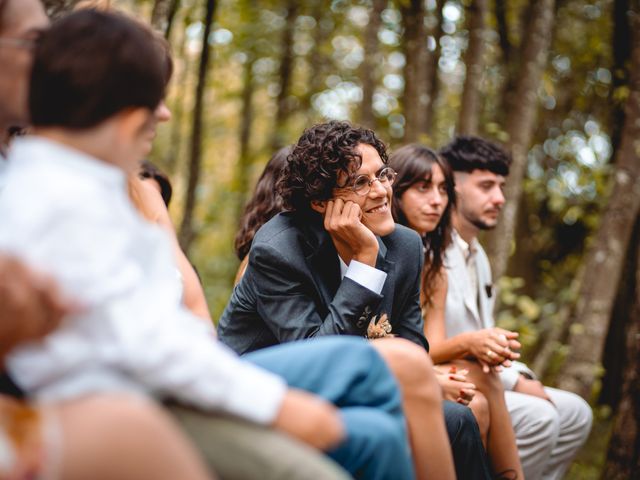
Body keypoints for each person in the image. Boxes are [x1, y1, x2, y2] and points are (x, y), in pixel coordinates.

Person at [0, 10, 414, 480]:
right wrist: (277, 406)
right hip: (145, 398)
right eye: (153, 98)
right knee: (357, 443)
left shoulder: (102, 186)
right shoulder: (55, 200)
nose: (164, 113)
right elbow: (143, 347)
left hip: (181, 377)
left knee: (374, 387)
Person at [219, 120, 494, 480]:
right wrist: (364, 262)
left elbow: (412, 344)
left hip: (359, 390)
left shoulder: (405, 245)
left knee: (459, 419)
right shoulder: (279, 250)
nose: (381, 191)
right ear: (320, 201)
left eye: (383, 175)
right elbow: (317, 356)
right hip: (268, 395)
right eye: (360, 183)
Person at [439, 135, 593, 479]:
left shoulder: (478, 257)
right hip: (452, 377)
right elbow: (446, 341)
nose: (499, 198)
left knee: (576, 412)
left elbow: (485, 337)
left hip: (490, 377)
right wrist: (513, 382)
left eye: (501, 186)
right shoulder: (426, 253)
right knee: (540, 417)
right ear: (453, 187)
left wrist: (520, 376)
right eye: (486, 186)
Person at [390, 143, 524, 479]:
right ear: (395, 192)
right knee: (476, 400)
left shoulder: (435, 267)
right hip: (391, 369)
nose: (436, 201)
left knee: (485, 382)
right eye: (423, 188)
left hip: (420, 364)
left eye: (442, 190)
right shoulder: (376, 254)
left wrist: (471, 348)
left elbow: (428, 347)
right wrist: (466, 346)